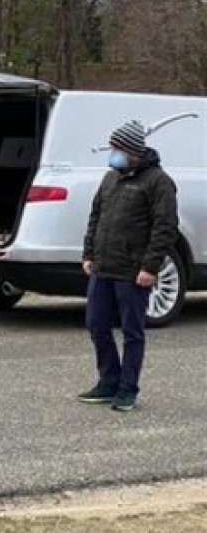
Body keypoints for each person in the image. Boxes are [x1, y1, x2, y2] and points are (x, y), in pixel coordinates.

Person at [79, 121, 178, 412]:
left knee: (132, 331)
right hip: (103, 267)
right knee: (97, 324)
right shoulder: (110, 179)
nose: (112, 153)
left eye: (117, 148)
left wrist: (150, 267)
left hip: (134, 271)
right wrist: (89, 253)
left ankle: (128, 388)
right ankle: (108, 381)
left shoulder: (158, 182)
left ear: (133, 151)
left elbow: (165, 227)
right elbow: (95, 217)